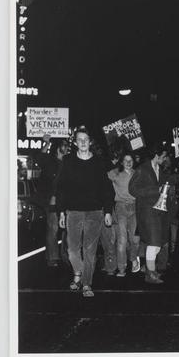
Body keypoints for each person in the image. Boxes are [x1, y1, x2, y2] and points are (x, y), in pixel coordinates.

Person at [56, 127, 114, 298]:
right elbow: (61, 189)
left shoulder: (98, 162)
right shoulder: (68, 161)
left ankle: (86, 283)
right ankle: (78, 274)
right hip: (73, 212)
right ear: (75, 143)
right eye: (79, 139)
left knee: (90, 250)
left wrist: (108, 212)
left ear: (90, 142)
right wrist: (61, 213)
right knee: (72, 250)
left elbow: (106, 189)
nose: (82, 142)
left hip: (94, 212)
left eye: (85, 139)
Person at [129, 143, 170, 284]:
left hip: (158, 211)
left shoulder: (160, 169)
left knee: (157, 242)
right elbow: (132, 189)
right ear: (156, 155)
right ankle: (150, 274)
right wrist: (154, 190)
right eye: (163, 156)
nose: (164, 159)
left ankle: (150, 269)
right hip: (146, 210)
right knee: (154, 242)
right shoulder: (142, 169)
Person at [34, 134, 70, 267]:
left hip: (65, 199)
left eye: (68, 146)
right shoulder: (49, 160)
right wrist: (46, 143)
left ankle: (65, 255)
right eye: (65, 145)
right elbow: (39, 158)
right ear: (58, 147)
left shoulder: (68, 162)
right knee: (53, 228)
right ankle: (52, 257)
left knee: (67, 228)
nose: (67, 148)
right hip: (52, 199)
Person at [107, 153, 140, 276]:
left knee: (135, 239)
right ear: (121, 162)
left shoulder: (137, 173)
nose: (128, 162)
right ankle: (122, 268)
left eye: (130, 160)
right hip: (121, 207)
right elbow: (102, 176)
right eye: (125, 160)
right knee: (122, 240)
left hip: (135, 207)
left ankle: (133, 259)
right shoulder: (115, 173)